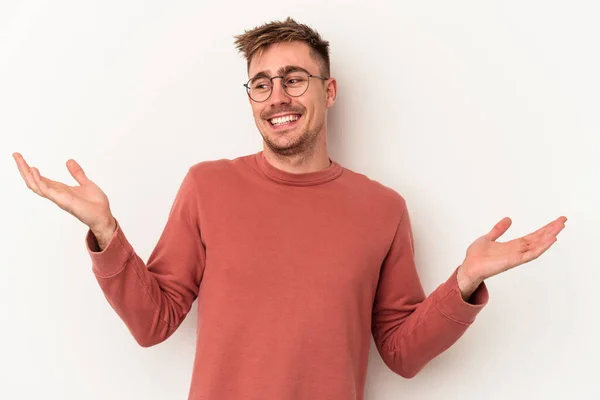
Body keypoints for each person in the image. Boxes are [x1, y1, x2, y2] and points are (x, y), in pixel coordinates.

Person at [13, 17, 566, 400]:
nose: (277, 96)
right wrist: (105, 231)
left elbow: (400, 351)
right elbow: (153, 322)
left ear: (328, 92)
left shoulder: (383, 209)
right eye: (261, 83)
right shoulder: (208, 186)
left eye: (294, 79)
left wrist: (466, 280)